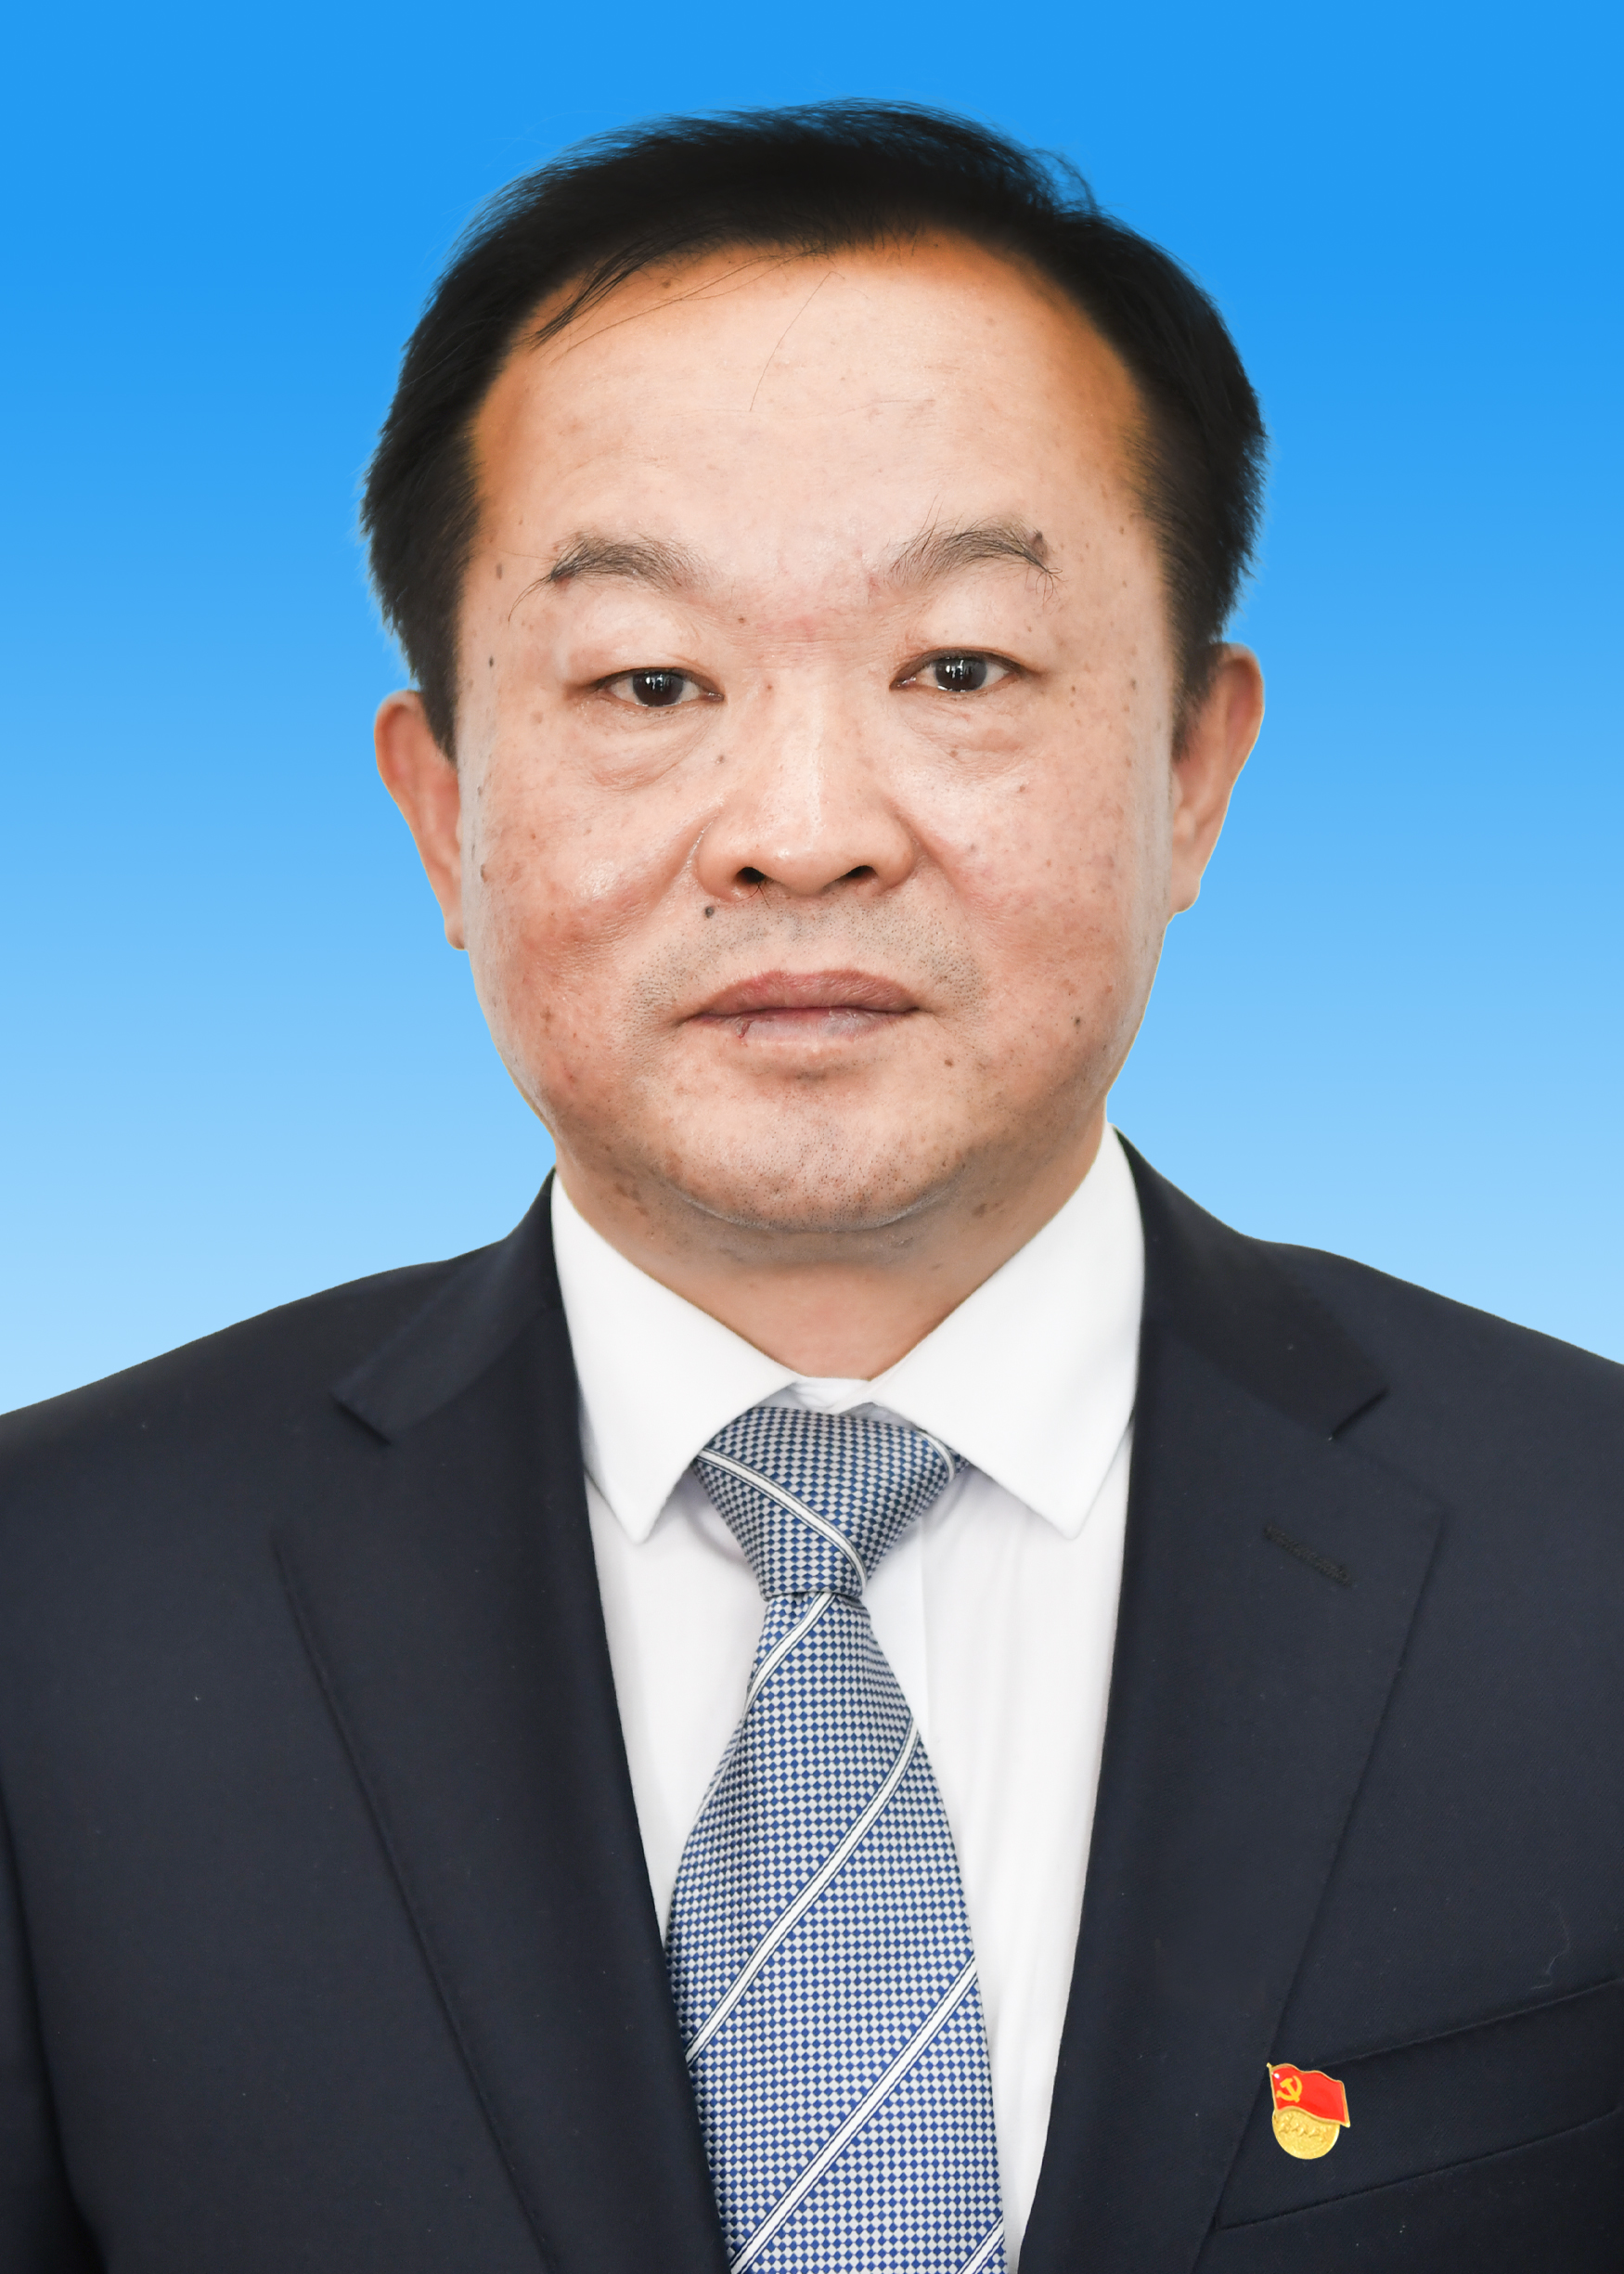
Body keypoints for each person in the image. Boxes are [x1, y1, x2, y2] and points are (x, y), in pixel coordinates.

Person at [0, 101, 1618, 2274]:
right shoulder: (52, 1605)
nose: (798, 828)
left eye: (957, 668)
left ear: (1193, 769)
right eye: (648, 681)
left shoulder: (1587, 1554)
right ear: (439, 807)